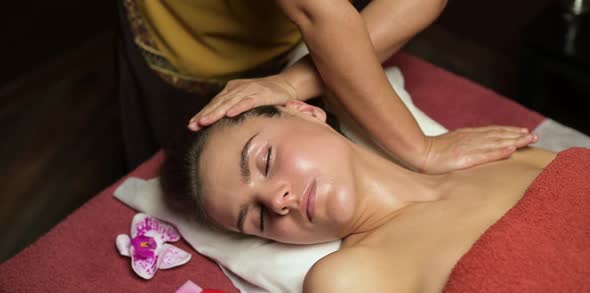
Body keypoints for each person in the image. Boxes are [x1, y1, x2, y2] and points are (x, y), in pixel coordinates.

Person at [158, 102, 585, 293]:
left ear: (304, 111)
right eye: (256, 217)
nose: (278, 200)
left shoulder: (496, 153)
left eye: (266, 160)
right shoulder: (346, 281)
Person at [117, 0, 536, 171]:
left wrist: (292, 80)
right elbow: (320, 13)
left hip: (289, 32)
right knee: (188, 166)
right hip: (189, 39)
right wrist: (420, 149)